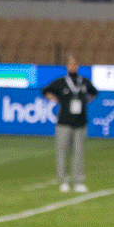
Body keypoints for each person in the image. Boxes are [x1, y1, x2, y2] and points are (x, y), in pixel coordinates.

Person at [42, 55, 98, 193]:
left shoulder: (84, 82)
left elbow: (94, 93)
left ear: (78, 66)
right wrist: (56, 99)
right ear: (67, 66)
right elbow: (45, 91)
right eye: (70, 64)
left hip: (80, 122)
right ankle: (64, 181)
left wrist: (86, 102)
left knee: (78, 153)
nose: (72, 67)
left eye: (75, 64)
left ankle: (79, 181)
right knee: (62, 153)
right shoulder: (61, 82)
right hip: (64, 122)